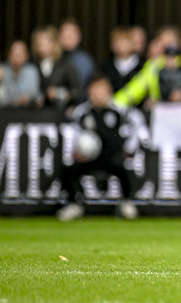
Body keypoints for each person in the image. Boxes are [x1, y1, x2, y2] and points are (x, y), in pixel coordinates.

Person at [57, 75, 145, 221]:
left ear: (109, 91)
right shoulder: (81, 112)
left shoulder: (119, 109)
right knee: (68, 171)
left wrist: (130, 147)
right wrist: (76, 151)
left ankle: (127, 202)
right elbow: (73, 134)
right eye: (95, 90)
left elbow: (138, 123)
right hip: (90, 158)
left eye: (102, 89)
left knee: (125, 170)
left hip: (112, 157)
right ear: (89, 92)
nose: (98, 94)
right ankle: (75, 204)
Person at [31, 26, 83, 109]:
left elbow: (77, 90)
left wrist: (60, 93)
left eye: (45, 42)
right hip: (37, 113)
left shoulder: (65, 64)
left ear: (54, 43)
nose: (41, 46)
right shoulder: (32, 64)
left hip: (61, 112)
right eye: (38, 43)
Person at [101, 27, 142, 93]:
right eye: (117, 41)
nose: (121, 45)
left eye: (124, 41)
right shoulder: (106, 66)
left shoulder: (142, 65)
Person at [0, 41, 40, 108]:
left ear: (26, 55)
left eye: (20, 54)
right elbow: (3, 99)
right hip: (6, 112)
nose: (17, 56)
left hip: (27, 112)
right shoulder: (2, 70)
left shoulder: (31, 71)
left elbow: (33, 94)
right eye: (14, 53)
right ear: (9, 55)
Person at [58, 18, 95, 88]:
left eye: (72, 33)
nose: (68, 36)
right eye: (65, 33)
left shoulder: (84, 60)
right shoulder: (53, 57)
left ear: (79, 36)